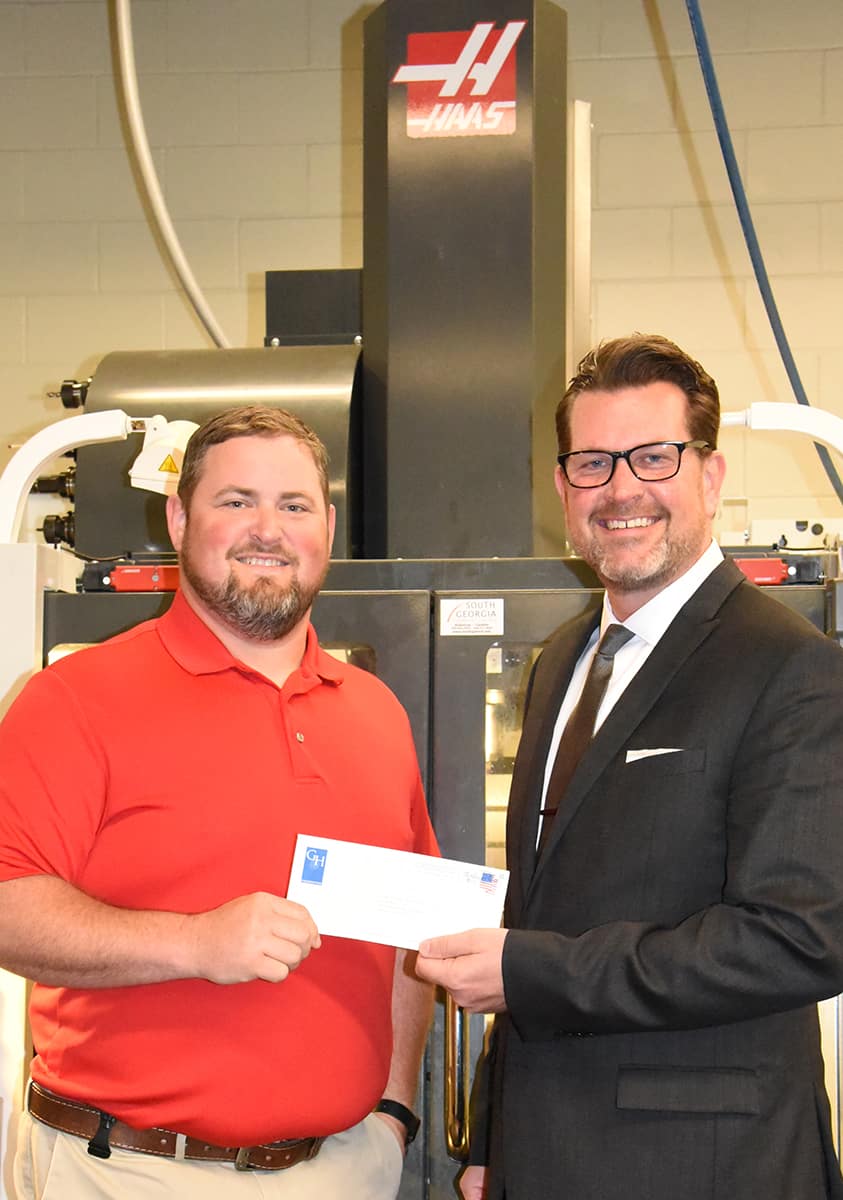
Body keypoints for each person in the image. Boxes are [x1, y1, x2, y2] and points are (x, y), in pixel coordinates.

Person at [417, 334, 843, 1200]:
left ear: (710, 477)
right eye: (592, 463)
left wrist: (527, 973)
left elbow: (801, 938)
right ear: (561, 487)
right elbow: (541, 911)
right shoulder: (561, 662)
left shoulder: (789, 666)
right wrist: (494, 1133)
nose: (620, 490)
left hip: (700, 1162)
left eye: (653, 457)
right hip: (544, 1148)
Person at [0, 404, 437, 1200]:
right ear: (178, 519)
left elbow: (408, 933)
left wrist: (394, 1110)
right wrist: (195, 942)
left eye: (293, 505)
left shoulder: (375, 713)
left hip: (343, 1167)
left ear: (326, 527)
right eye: (236, 501)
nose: (267, 529)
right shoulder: (74, 699)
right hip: (132, 1171)